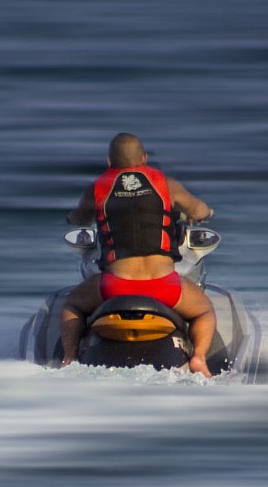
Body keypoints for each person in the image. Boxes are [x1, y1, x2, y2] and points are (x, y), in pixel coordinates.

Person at [58, 132, 218, 376]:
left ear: (109, 162)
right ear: (143, 159)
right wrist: (205, 213)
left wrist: (74, 218)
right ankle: (198, 358)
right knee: (204, 310)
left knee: (72, 304)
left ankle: (69, 358)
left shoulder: (98, 188)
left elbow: (80, 216)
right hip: (164, 286)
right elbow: (198, 208)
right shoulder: (166, 184)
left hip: (115, 287)